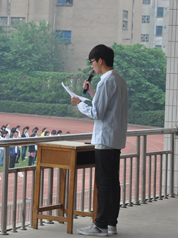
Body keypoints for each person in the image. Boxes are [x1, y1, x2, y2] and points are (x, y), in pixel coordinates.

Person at [71, 44, 128, 237]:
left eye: (92, 62)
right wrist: (92, 93)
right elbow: (107, 106)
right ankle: (111, 224)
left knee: (103, 183)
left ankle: (100, 225)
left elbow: (97, 113)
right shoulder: (119, 80)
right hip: (115, 138)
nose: (92, 67)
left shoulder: (106, 81)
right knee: (112, 182)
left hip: (105, 138)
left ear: (100, 61)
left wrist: (79, 104)